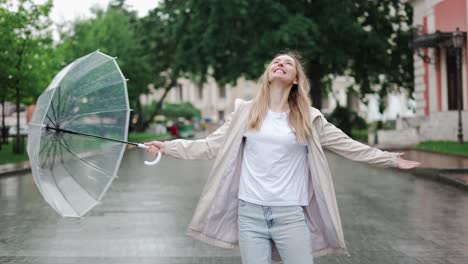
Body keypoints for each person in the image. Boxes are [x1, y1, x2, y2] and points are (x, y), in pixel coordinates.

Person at [144, 52, 420, 264]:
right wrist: (168, 147)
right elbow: (208, 146)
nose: (280, 64)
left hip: (289, 214)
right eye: (276, 62)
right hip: (250, 213)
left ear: (296, 79)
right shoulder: (246, 113)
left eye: (288, 64)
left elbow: (348, 146)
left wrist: (390, 159)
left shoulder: (308, 118)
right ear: (268, 74)